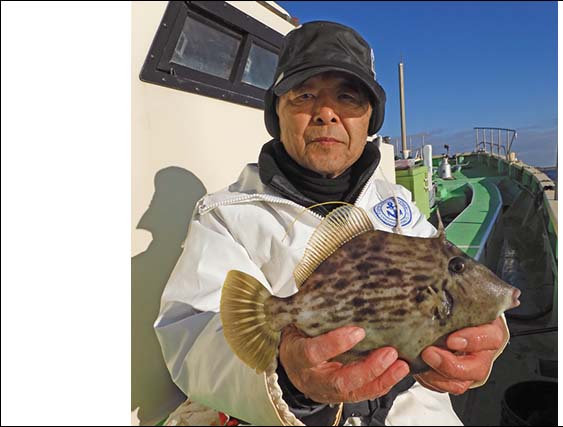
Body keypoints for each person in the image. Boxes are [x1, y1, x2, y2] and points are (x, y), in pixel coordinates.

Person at [154, 21, 509, 426]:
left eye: (348, 97)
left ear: (370, 119)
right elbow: (191, 338)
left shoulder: (397, 205)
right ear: (277, 113)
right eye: (304, 96)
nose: (326, 114)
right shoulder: (225, 215)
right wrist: (286, 377)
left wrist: (483, 336)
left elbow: (454, 283)